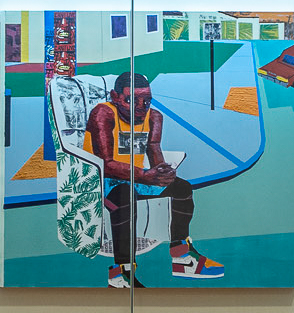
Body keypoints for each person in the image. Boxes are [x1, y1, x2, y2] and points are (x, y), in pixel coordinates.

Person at [83, 71, 224, 285]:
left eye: (146, 100)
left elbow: (154, 151)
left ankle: (181, 256)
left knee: (182, 188)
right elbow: (105, 163)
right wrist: (144, 176)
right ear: (115, 96)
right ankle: (121, 273)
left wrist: (163, 173)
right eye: (132, 100)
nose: (141, 106)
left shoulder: (154, 117)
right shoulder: (103, 113)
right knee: (123, 195)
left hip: (137, 179)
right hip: (99, 181)